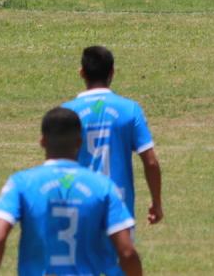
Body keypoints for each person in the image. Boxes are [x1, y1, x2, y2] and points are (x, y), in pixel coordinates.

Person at [0, 107, 142, 276]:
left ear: (42, 141)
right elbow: (127, 252)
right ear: (79, 142)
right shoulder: (104, 186)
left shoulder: (21, 183)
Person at [62, 46, 164, 227]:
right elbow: (151, 162)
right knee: (122, 254)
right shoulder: (130, 109)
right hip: (119, 209)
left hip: (81, 208)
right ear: (112, 72)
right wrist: (156, 202)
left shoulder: (67, 112)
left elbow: (59, 165)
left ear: (82, 73)